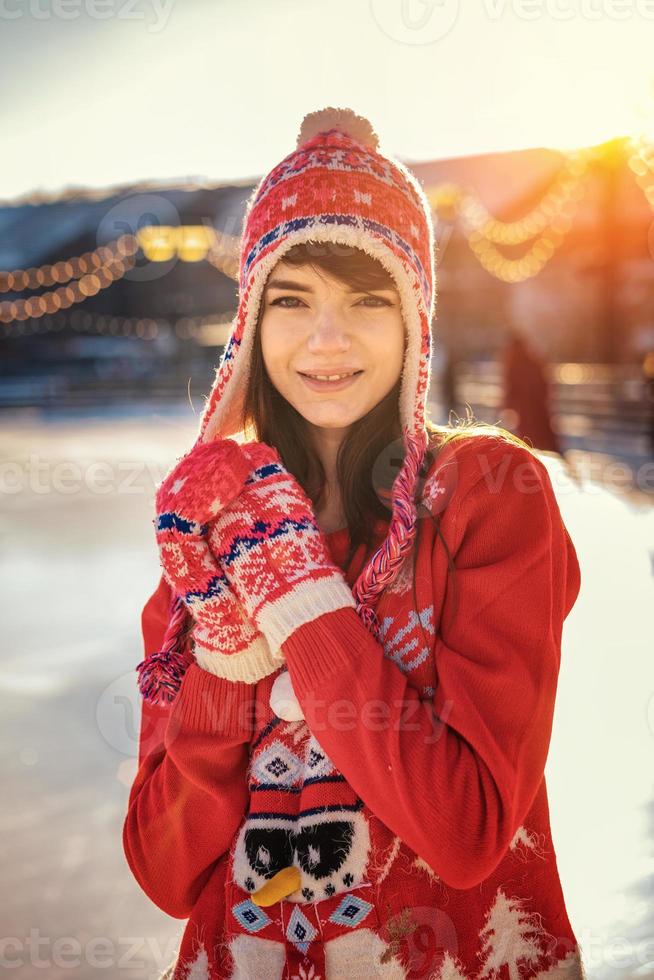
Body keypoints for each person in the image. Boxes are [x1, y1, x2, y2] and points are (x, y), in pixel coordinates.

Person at [123, 108, 586, 980]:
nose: (325, 340)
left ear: (415, 322)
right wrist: (222, 668)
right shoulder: (210, 533)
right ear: (250, 326)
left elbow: (469, 832)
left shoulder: (487, 493)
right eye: (289, 301)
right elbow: (164, 868)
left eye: (367, 302)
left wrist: (300, 597)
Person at [501, 328, 561, 454]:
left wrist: (507, 404)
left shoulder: (514, 364)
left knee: (530, 438)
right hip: (538, 408)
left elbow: (510, 388)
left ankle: (532, 460)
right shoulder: (533, 361)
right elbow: (545, 384)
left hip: (526, 410)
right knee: (543, 437)